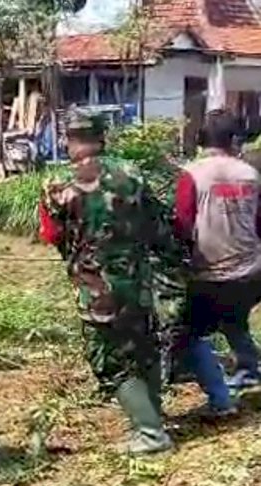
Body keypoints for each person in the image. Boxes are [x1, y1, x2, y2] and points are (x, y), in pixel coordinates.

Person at [38, 110, 176, 455]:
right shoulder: (133, 174)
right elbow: (159, 228)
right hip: (139, 281)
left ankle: (151, 434)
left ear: (68, 139)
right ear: (103, 138)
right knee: (144, 351)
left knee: (110, 361)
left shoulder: (56, 184)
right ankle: (153, 418)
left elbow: (51, 234)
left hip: (96, 288)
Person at [175, 109, 261, 391]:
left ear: (201, 139)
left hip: (212, 273)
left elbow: (182, 223)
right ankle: (249, 367)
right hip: (252, 271)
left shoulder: (193, 174)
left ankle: (214, 390)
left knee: (186, 330)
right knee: (234, 318)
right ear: (233, 140)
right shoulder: (250, 173)